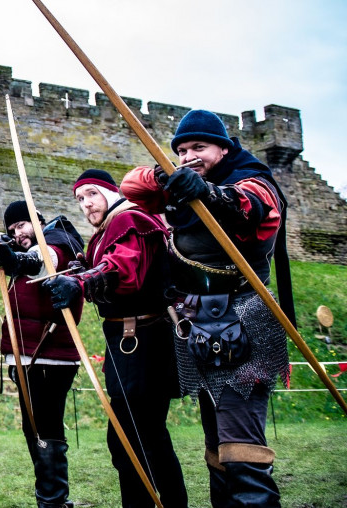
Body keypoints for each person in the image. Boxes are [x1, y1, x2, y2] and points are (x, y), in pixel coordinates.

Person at [121, 110, 290, 506]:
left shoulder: (252, 179)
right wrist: (168, 177)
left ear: (224, 149)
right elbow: (132, 187)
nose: (188, 155)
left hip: (243, 319)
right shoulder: (182, 186)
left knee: (242, 451)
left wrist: (208, 191)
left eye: (199, 147)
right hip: (200, 325)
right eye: (181, 150)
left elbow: (251, 205)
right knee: (217, 448)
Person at [44, 169, 187, 507]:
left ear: (109, 192)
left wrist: (81, 283)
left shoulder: (128, 220)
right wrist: (82, 271)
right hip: (133, 342)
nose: (86, 204)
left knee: (133, 439)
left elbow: (124, 267)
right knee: (146, 436)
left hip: (140, 341)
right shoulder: (112, 228)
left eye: (92, 194)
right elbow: (110, 265)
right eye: (79, 199)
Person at [0, 201, 84, 508]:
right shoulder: (28, 247)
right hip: (28, 355)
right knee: (34, 428)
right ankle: (52, 499)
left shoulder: (59, 241)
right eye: (13, 229)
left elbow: (44, 261)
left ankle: (53, 501)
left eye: (22, 225)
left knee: (45, 427)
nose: (18, 233)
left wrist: (16, 259)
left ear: (39, 220)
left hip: (50, 354)